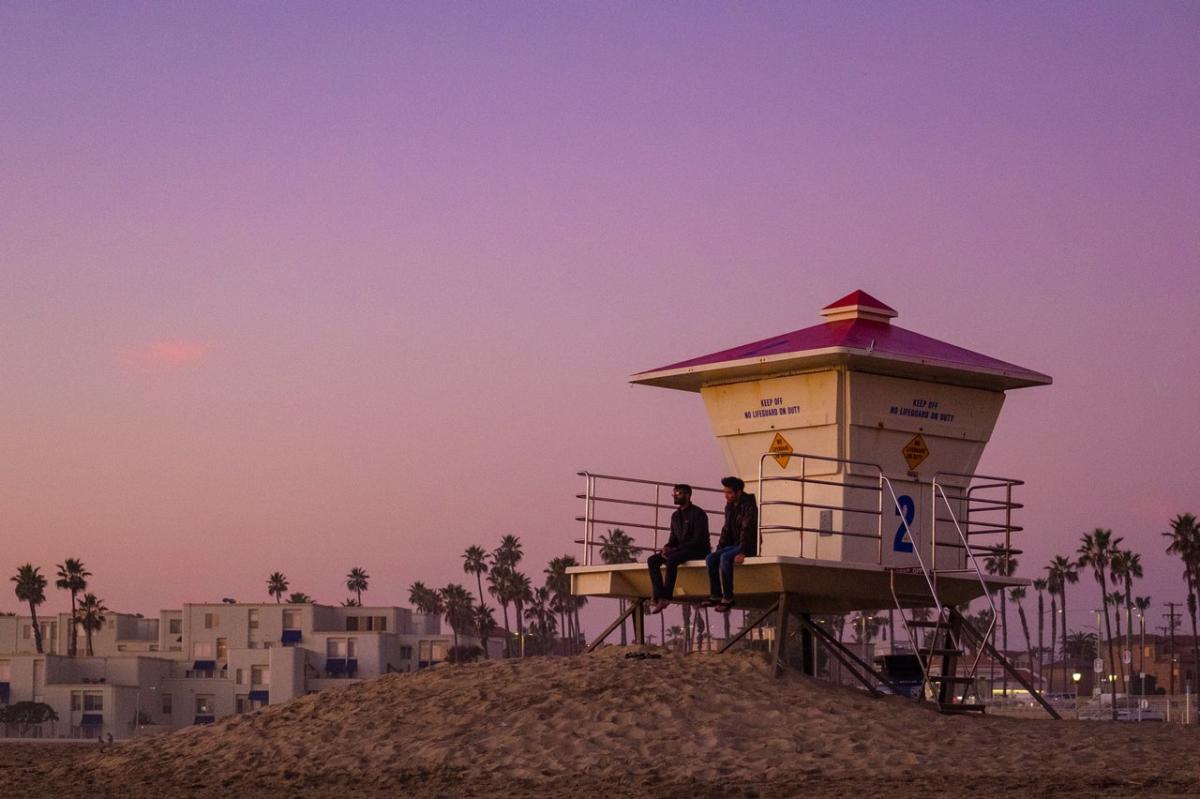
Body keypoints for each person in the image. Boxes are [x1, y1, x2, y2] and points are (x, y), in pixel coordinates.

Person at [646, 484, 710, 613]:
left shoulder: (698, 514)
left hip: (697, 550)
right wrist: (667, 547)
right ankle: (658, 595)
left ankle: (666, 597)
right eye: (674, 493)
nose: (675, 496)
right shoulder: (675, 516)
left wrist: (674, 550)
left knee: (672, 560)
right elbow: (673, 538)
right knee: (652, 560)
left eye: (678, 493)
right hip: (680, 550)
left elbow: (698, 540)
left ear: (687, 495)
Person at [704, 476, 757, 612]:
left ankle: (728, 597)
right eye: (725, 492)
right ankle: (715, 595)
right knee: (711, 558)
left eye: (729, 493)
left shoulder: (749, 506)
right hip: (734, 544)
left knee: (725, 558)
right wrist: (719, 548)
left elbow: (748, 529)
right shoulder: (729, 506)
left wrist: (743, 551)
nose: (726, 496)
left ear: (738, 492)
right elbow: (726, 529)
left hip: (747, 545)